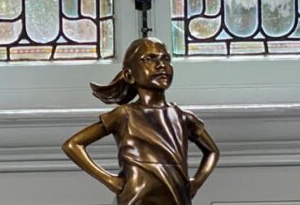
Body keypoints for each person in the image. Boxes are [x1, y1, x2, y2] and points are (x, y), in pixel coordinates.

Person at [62, 38, 219, 205]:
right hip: (135, 199)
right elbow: (72, 145)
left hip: (177, 199)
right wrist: (110, 180)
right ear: (129, 75)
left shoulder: (183, 117)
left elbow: (212, 151)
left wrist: (197, 182)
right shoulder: (124, 115)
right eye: (149, 59)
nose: (161, 65)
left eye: (166, 59)